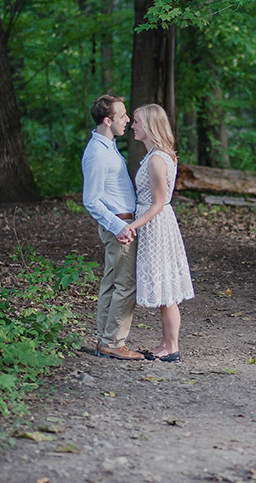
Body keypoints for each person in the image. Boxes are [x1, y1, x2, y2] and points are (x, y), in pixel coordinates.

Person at [121, 104, 194, 362]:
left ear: (150, 125)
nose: (133, 126)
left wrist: (133, 225)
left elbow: (158, 203)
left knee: (166, 291)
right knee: (165, 291)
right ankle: (166, 343)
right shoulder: (157, 154)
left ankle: (171, 347)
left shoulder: (156, 159)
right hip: (156, 223)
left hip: (156, 226)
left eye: (137, 122)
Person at [81, 94, 144, 360]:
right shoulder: (97, 153)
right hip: (118, 224)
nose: (128, 120)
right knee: (125, 285)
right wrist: (120, 226)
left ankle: (105, 340)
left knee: (111, 283)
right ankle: (114, 342)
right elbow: (91, 200)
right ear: (108, 121)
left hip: (121, 222)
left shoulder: (107, 146)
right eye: (122, 116)